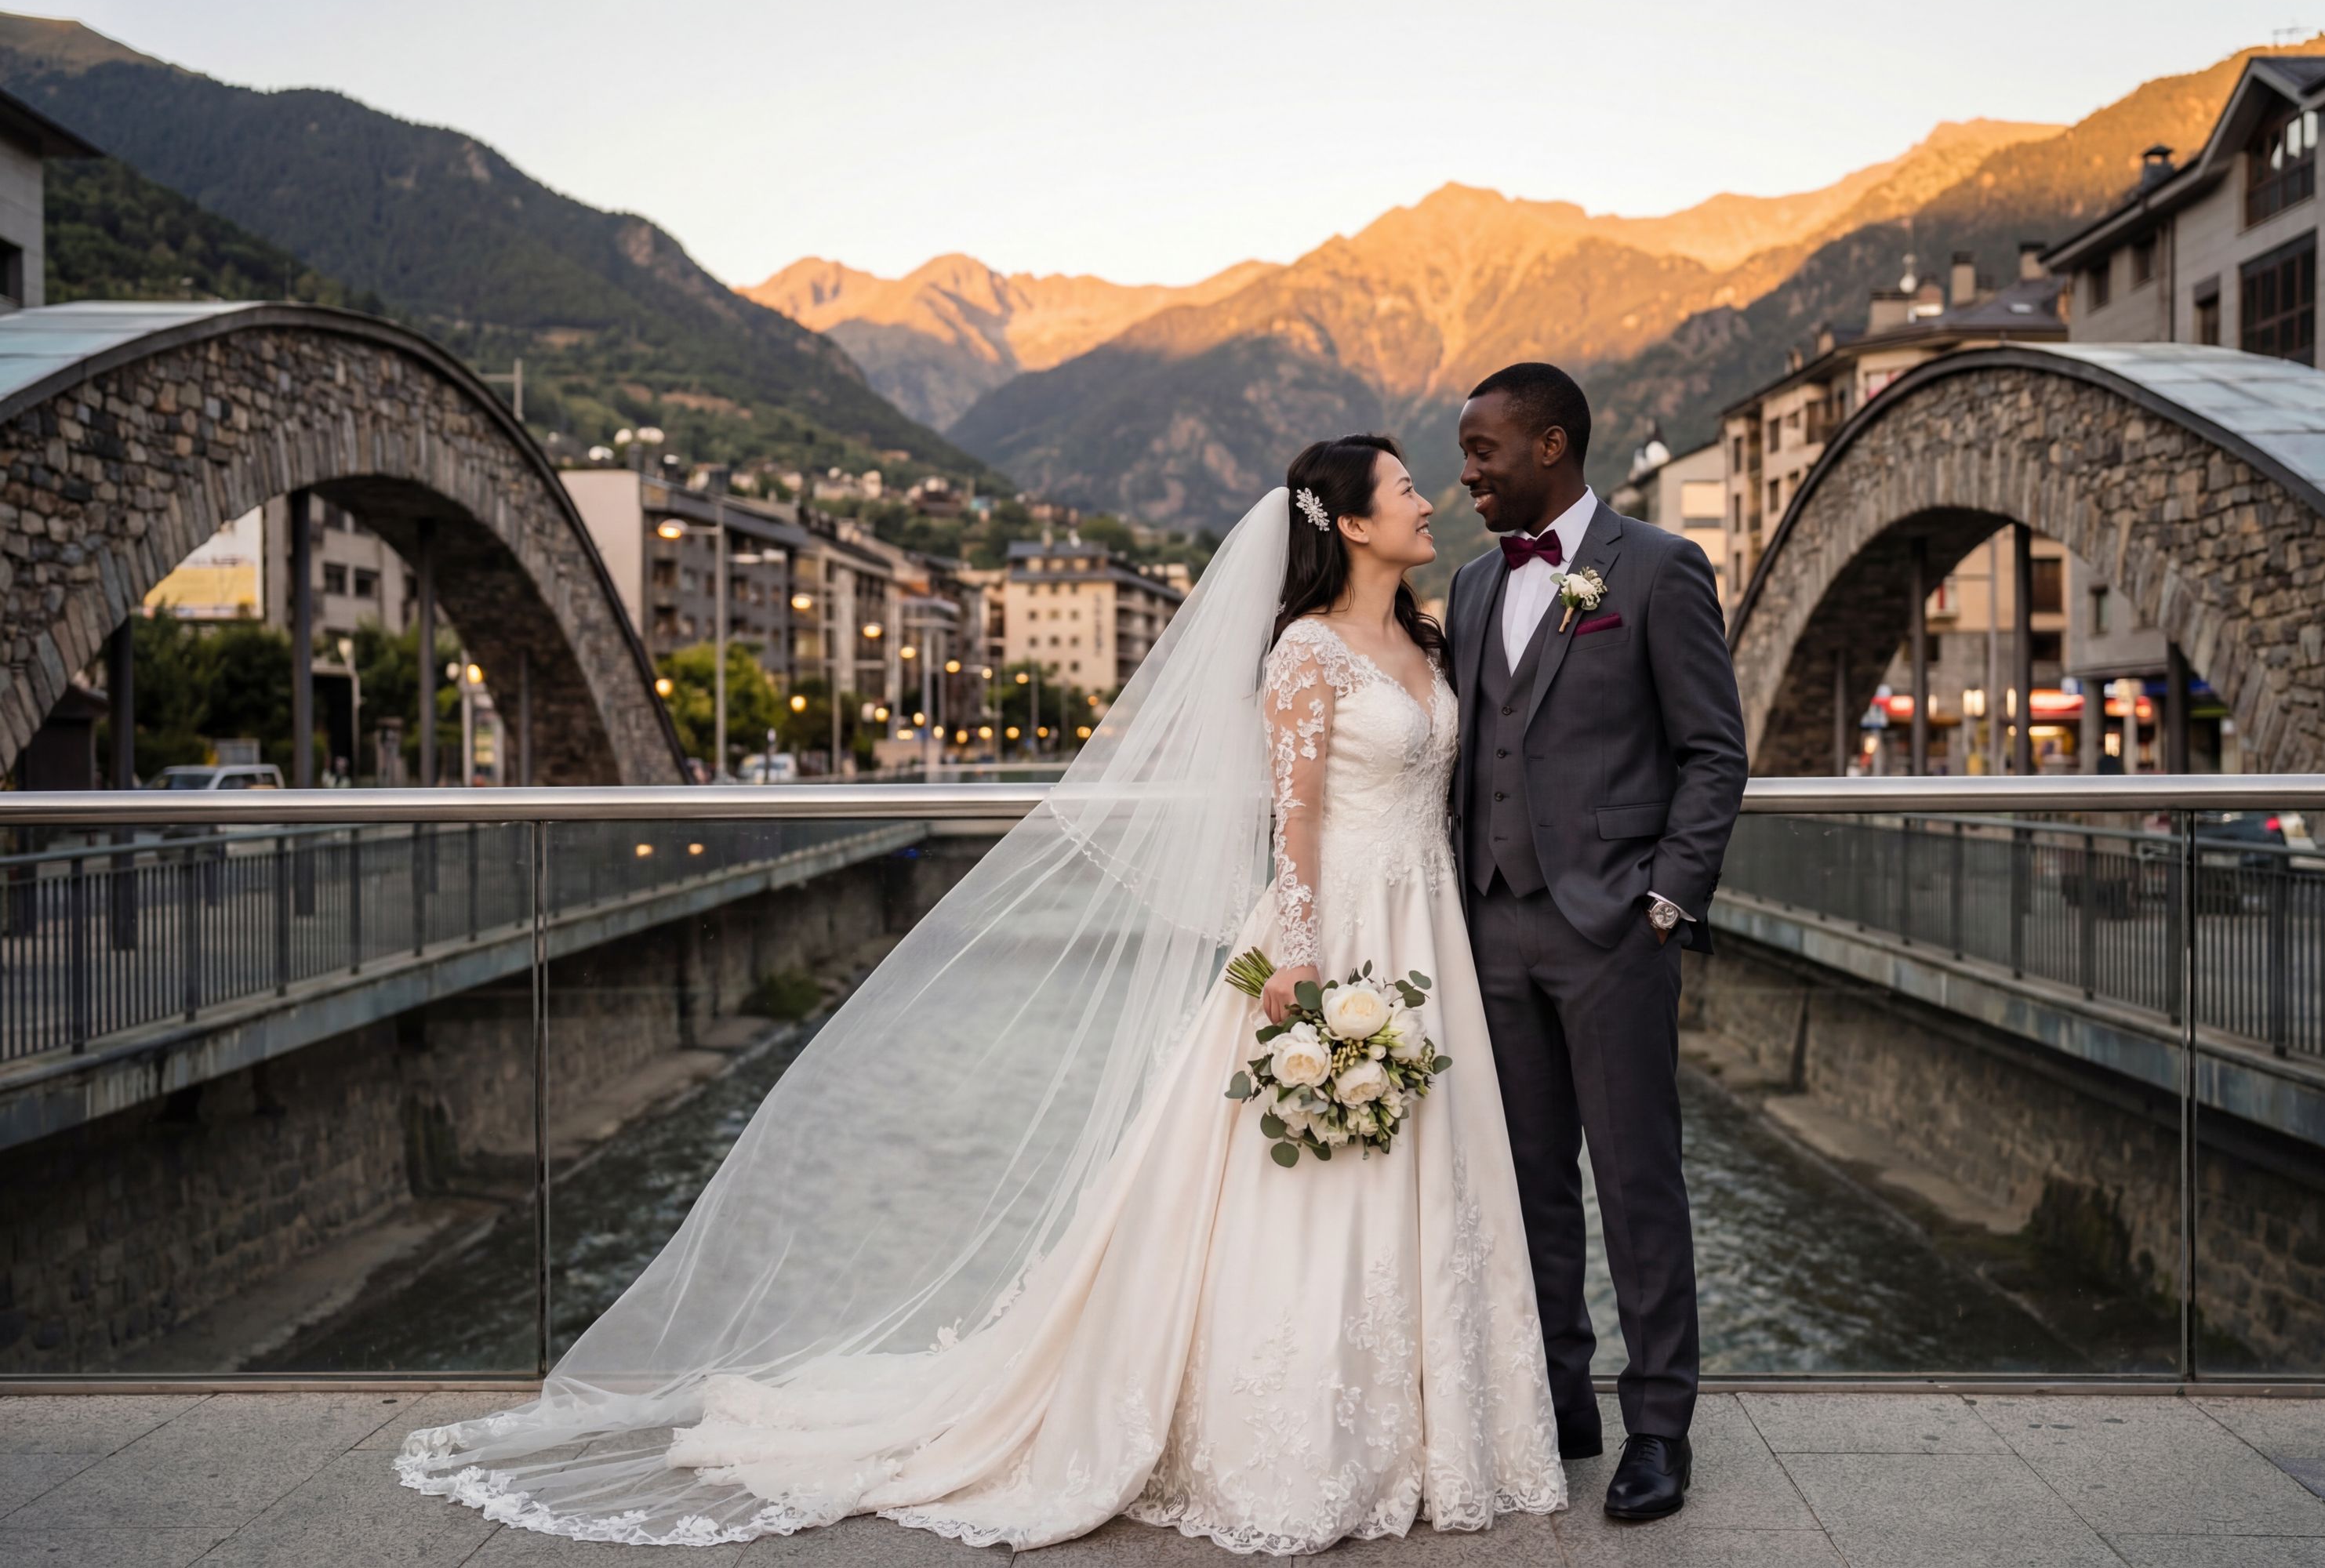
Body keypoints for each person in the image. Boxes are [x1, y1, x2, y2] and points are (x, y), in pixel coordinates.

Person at [398, 437, 1565, 1552]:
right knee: (1317, 1185)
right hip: (1337, 926)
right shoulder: (1304, 652)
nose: (1428, 500)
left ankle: (1436, 1428)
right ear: (1353, 522)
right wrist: (1300, 963)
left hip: (1427, 926)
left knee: (1431, 1167)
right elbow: (1294, 818)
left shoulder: (1430, 629)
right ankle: (1304, 1438)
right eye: (1406, 486)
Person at [1449, 363, 1748, 1521]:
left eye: (1483, 449)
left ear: (1552, 444)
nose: (1467, 471)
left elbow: (1714, 752)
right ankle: (1561, 1399)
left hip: (1616, 931)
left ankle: (1659, 1428)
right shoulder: (1473, 585)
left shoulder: (1661, 569)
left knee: (1636, 1184)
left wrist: (1666, 900)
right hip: (1493, 926)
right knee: (1527, 1186)